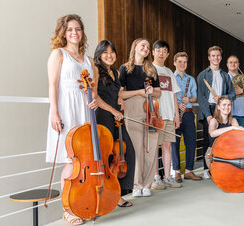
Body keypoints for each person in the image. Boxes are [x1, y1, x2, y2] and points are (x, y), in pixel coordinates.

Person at [46, 14, 98, 225]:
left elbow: (93, 89)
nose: (74, 32)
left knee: (84, 161)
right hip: (67, 111)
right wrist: (54, 112)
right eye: (69, 29)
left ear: (82, 32)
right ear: (63, 33)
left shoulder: (89, 60)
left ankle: (84, 205)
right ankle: (68, 210)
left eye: (77, 29)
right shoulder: (58, 54)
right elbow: (52, 85)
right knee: (70, 161)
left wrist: (93, 99)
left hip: (84, 112)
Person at [93, 40, 135, 207]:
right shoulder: (96, 70)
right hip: (103, 116)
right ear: (99, 55)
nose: (109, 55)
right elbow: (95, 97)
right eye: (105, 52)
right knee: (108, 157)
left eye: (112, 52)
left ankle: (117, 193)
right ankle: (109, 196)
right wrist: (113, 110)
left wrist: (119, 99)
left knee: (126, 152)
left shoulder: (115, 72)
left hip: (117, 117)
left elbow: (118, 91)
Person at [119, 38, 161, 198]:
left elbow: (159, 92)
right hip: (133, 109)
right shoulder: (125, 69)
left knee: (150, 149)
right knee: (136, 149)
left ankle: (147, 184)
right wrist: (138, 92)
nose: (146, 48)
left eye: (148, 47)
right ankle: (136, 185)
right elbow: (121, 94)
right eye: (143, 45)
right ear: (135, 47)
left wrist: (152, 91)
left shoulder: (151, 69)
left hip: (151, 110)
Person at [197, 46, 235, 178]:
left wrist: (223, 97)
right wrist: (208, 114)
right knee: (208, 141)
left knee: (223, 140)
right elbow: (201, 97)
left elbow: (233, 94)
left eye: (218, 55)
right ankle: (207, 169)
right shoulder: (202, 75)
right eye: (213, 55)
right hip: (209, 109)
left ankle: (221, 167)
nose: (216, 58)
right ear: (209, 58)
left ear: (221, 57)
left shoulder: (225, 75)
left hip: (223, 109)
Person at [150, 40, 182, 189]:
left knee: (168, 145)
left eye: (164, 51)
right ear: (153, 52)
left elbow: (174, 95)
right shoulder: (149, 69)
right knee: (156, 146)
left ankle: (168, 176)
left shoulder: (169, 72)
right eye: (158, 50)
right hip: (156, 115)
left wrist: (177, 115)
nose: (161, 53)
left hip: (169, 115)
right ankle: (156, 177)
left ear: (168, 54)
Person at [172, 52, 202, 181]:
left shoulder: (191, 79)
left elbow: (195, 96)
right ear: (174, 63)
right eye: (180, 61)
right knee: (175, 144)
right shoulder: (171, 78)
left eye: (184, 62)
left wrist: (188, 99)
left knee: (191, 143)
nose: (182, 64)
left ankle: (189, 171)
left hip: (189, 114)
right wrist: (177, 104)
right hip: (175, 114)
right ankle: (177, 172)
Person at [206, 96, 244, 169]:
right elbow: (212, 134)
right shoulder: (213, 120)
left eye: (229, 105)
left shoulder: (233, 120)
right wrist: (232, 128)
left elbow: (240, 135)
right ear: (218, 107)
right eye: (224, 105)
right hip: (214, 154)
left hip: (228, 153)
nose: (227, 107)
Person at [226, 55, 244, 128]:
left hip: (241, 114)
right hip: (226, 114)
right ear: (227, 64)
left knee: (241, 138)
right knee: (228, 138)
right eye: (231, 62)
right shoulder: (222, 78)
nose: (233, 64)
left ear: (238, 64)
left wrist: (242, 91)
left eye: (235, 62)